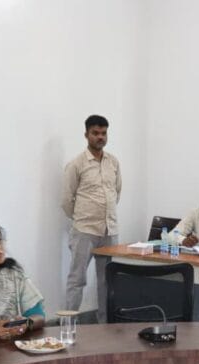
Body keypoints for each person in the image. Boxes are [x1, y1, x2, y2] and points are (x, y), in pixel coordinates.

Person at [61, 114, 122, 322]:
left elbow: (116, 192)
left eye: (103, 133)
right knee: (77, 279)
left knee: (107, 281)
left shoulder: (113, 162)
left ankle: (104, 324)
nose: (100, 137)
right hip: (84, 231)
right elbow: (66, 200)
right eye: (95, 133)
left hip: (109, 231)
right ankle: (68, 324)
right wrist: (82, 218)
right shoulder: (76, 164)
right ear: (86, 135)